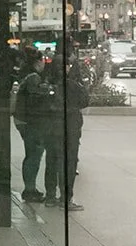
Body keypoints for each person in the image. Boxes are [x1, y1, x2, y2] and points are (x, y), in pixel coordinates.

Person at [41, 46, 88, 211]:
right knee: (68, 163)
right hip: (70, 129)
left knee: (51, 161)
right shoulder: (73, 85)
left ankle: (50, 196)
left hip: (51, 129)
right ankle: (65, 199)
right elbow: (84, 101)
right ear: (66, 67)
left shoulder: (46, 85)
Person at [12, 45, 49, 202]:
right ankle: (29, 190)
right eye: (43, 61)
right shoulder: (34, 77)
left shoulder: (24, 73)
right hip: (30, 121)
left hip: (22, 119)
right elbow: (36, 99)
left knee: (32, 154)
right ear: (38, 62)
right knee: (34, 154)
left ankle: (30, 189)